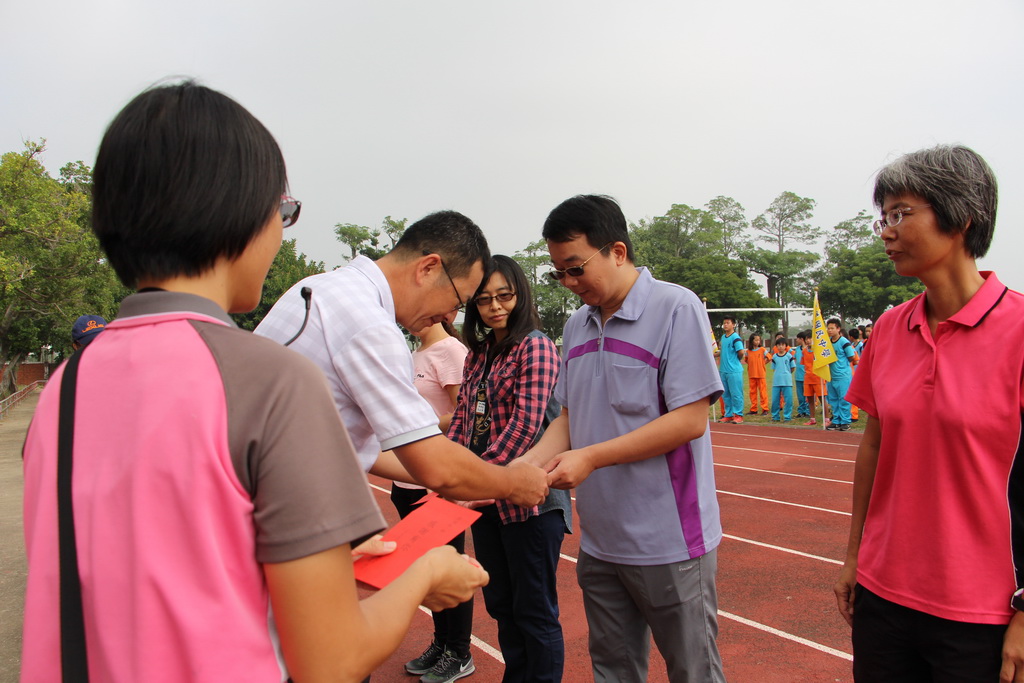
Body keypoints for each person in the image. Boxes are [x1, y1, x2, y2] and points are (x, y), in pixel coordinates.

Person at [20, 81, 487, 682]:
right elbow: (332, 660)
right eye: (284, 213)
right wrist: (425, 574)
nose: (281, 234)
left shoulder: (66, 386)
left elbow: (169, 559)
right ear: (238, 215)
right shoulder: (269, 379)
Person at [833, 144, 1024, 682]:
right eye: (883, 218)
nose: (886, 232)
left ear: (961, 218)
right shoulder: (890, 329)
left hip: (984, 611)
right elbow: (874, 446)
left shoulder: (1019, 331)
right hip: (884, 598)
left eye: (900, 214)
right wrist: (854, 556)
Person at [524, 195, 726, 683]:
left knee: (693, 671)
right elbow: (569, 417)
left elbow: (689, 420)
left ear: (617, 251)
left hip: (670, 540)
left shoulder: (676, 308)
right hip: (601, 540)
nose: (569, 283)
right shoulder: (577, 325)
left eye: (576, 269)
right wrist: (522, 467)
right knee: (613, 671)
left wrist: (590, 458)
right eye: (558, 273)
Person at [254, 212, 548, 508]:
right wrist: (511, 483)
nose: (449, 316)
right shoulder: (372, 326)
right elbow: (436, 466)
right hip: (283, 500)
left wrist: (465, 479)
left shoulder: (319, 287)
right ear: (428, 268)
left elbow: (359, 448)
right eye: (458, 301)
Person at [447, 255, 572, 683]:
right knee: (501, 604)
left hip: (530, 502)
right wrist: (449, 472)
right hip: (486, 501)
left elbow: (525, 426)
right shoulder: (478, 355)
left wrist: (474, 480)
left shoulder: (535, 346)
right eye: (484, 300)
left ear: (520, 295)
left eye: (504, 296)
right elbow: (462, 422)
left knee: (534, 610)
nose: (495, 306)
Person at [390, 320, 475, 682]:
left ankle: (459, 651)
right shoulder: (415, 353)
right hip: (405, 479)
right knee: (427, 569)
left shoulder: (452, 352)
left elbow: (464, 415)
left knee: (448, 566)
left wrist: (417, 428)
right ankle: (441, 643)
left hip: (435, 482)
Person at [824, 319, 856, 431]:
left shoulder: (843, 341)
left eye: (832, 328)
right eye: (828, 328)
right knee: (833, 399)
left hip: (843, 376)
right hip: (831, 376)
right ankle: (836, 420)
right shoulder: (827, 342)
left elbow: (851, 356)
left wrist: (842, 364)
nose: (830, 330)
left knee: (844, 399)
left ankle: (845, 421)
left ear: (838, 329)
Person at [716, 315, 745, 423]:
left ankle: (738, 415)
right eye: (724, 323)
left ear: (733, 324)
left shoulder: (735, 337)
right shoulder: (723, 337)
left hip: (734, 371)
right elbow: (722, 351)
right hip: (723, 370)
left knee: (736, 394)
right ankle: (728, 414)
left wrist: (736, 360)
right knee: (726, 394)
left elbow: (741, 352)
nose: (725, 325)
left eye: (728, 323)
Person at [767, 337, 796, 422]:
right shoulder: (774, 357)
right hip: (776, 382)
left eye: (782, 345)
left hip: (787, 382)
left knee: (788, 400)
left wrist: (787, 374)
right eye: (778, 345)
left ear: (786, 346)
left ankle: (787, 416)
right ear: (776, 346)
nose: (780, 347)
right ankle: (775, 416)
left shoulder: (789, 356)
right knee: (775, 400)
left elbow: (792, 368)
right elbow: (774, 368)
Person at [745, 333, 769, 416]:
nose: (758, 341)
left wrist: (763, 364)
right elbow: (746, 360)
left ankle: (765, 409)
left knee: (763, 392)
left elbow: (769, 357)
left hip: (761, 374)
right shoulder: (748, 351)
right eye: (756, 340)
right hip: (752, 374)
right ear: (752, 341)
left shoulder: (762, 350)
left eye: (759, 340)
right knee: (752, 392)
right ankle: (753, 409)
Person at [793, 331, 811, 418]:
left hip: (807, 376)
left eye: (798, 338)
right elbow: (794, 358)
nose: (796, 340)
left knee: (808, 395)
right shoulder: (797, 349)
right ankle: (801, 411)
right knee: (800, 396)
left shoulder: (809, 349)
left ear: (802, 339)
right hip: (798, 376)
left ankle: (808, 411)